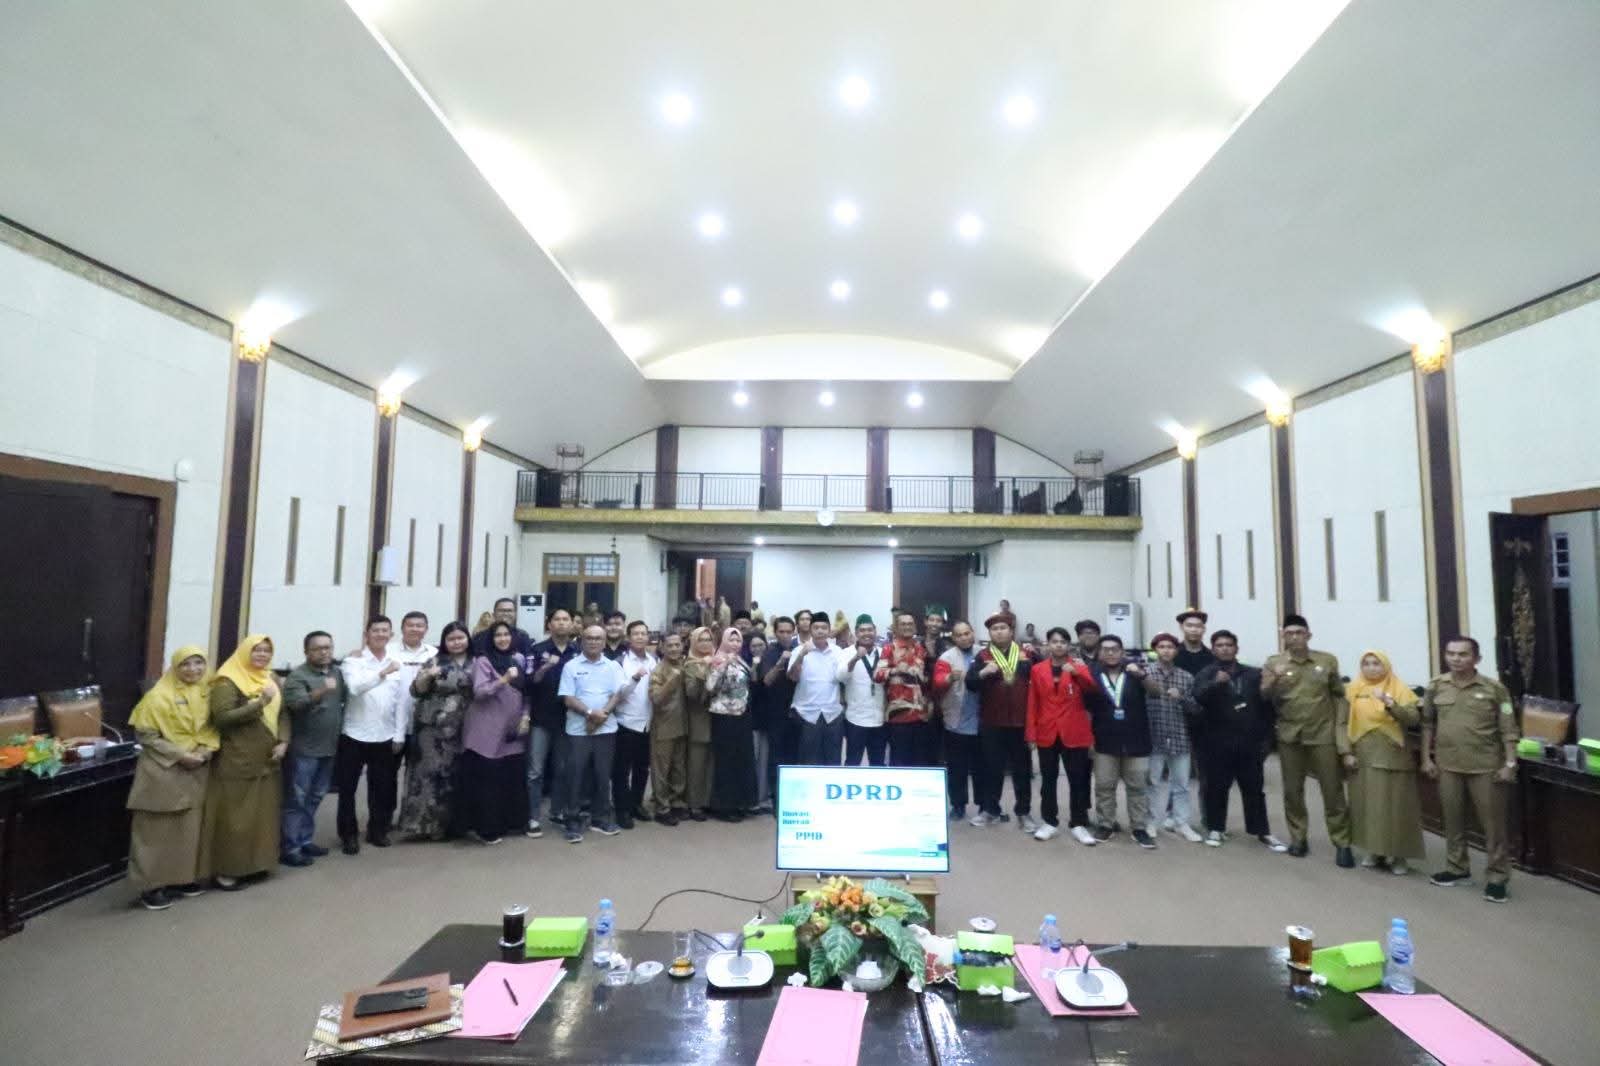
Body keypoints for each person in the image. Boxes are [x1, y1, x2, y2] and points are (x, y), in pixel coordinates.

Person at [1422, 637, 1519, 903]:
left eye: (1463, 654)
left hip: (1485, 767)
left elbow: (1509, 730)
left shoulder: (1494, 689)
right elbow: (1428, 724)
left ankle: (1497, 877)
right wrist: (1426, 758)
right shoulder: (1436, 686)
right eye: (1451, 653)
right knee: (1452, 821)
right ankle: (1457, 868)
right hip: (1448, 765)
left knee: (1493, 826)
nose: (1456, 659)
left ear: (1477, 659)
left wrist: (1510, 763)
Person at [126, 645, 218, 910]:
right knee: (156, 830)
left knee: (187, 829)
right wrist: (180, 755)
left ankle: (180, 879)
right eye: (185, 664)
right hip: (163, 771)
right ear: (175, 667)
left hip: (197, 768)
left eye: (199, 663)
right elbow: (146, 736)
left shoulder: (207, 692)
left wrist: (206, 750)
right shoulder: (158, 696)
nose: (193, 670)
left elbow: (214, 728)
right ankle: (150, 887)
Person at [1260, 614, 1352, 866]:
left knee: (1332, 791)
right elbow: (1264, 695)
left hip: (1322, 734)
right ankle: (1298, 838)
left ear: (1308, 635)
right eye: (1289, 633)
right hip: (1290, 735)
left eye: (1299, 633)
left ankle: (1342, 842)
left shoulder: (1326, 660)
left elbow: (1339, 695)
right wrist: (1274, 677)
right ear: (1283, 636)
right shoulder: (1274, 662)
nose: (1294, 637)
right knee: (1293, 791)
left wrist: (1340, 733)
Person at [199, 635, 286, 890]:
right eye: (256, 650)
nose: (262, 655)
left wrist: (284, 740)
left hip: (268, 757)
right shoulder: (227, 681)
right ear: (244, 652)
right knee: (235, 818)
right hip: (238, 757)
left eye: (267, 651)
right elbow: (222, 718)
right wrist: (260, 704)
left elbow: (284, 713)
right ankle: (227, 871)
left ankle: (255, 866)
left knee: (262, 817)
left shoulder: (271, 678)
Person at [1190, 632, 1288, 851]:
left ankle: (1262, 831)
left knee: (1254, 788)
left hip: (1250, 742)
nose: (1225, 648)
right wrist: (1215, 684)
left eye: (1229, 645)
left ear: (1236, 648)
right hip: (1217, 742)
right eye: (1219, 645)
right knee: (1217, 787)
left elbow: (1266, 706)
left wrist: (1267, 739)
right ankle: (1216, 828)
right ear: (1213, 649)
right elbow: (1197, 697)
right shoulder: (1207, 673)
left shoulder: (1253, 673)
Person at [1339, 650, 1424, 875]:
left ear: (1385, 666)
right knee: (1367, 806)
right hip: (1362, 755)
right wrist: (1346, 752)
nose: (1371, 668)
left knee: (1397, 806)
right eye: (1366, 663)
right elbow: (1341, 723)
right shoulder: (1352, 690)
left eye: (1376, 663)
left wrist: (1390, 703)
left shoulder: (1399, 688)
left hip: (1393, 755)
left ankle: (1399, 855)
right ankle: (1374, 850)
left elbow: (1413, 719)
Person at [558, 624, 636, 842]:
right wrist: (590, 713)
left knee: (603, 775)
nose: (593, 642)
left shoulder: (613, 666)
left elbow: (618, 694)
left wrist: (603, 715)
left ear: (604, 642)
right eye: (589, 638)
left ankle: (600, 818)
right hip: (578, 730)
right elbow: (568, 698)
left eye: (598, 638)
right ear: (582, 641)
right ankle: (572, 819)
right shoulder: (571, 666)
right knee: (575, 775)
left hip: (606, 729)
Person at [336, 615, 406, 854]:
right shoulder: (353, 661)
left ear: (391, 635)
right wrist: (383, 673)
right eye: (376, 630)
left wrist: (399, 734)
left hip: (384, 735)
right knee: (347, 789)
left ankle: (378, 830)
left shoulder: (396, 662)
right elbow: (355, 688)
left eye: (385, 631)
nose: (380, 634)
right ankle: (348, 835)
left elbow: (400, 702)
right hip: (353, 734)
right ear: (366, 634)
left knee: (381, 788)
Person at [398, 621, 473, 841]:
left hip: (464, 728)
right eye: (451, 639)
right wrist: (427, 676)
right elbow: (416, 691)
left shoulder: (477, 661)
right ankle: (422, 826)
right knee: (428, 775)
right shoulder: (434, 661)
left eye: (460, 638)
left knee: (455, 776)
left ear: (468, 639)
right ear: (444, 642)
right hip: (431, 729)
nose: (456, 642)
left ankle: (451, 826)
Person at [966, 611, 1040, 830]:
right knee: (992, 768)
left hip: (1021, 722)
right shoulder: (982, 656)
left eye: (1003, 628)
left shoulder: (1028, 654)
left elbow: (1043, 678)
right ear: (989, 633)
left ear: (1011, 631)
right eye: (994, 629)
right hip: (992, 722)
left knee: (1022, 770)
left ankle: (1024, 813)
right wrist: (982, 673)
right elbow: (970, 683)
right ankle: (990, 810)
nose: (999, 632)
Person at [1026, 628, 1098, 845]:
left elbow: (1093, 691)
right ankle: (1049, 822)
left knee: (1078, 779)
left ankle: (1078, 823)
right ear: (1047, 644)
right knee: (1047, 779)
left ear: (1069, 645)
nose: (1058, 645)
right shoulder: (1037, 669)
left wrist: (1077, 673)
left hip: (1074, 730)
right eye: (1054, 641)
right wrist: (1031, 733)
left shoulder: (1079, 666)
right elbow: (1033, 702)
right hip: (1046, 730)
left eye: (1063, 642)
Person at [280, 631, 347, 866]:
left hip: (329, 747)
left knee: (316, 797)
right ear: (306, 652)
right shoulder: (298, 676)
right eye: (318, 648)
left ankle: (304, 839)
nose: (324, 652)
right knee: (297, 799)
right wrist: (320, 692)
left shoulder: (336, 672)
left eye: (328, 647)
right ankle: (290, 848)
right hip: (304, 750)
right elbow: (294, 705)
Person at [1085, 635, 1157, 848]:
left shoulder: (1136, 672)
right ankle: (1105, 824)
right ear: (1099, 653)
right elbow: (1086, 709)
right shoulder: (1092, 675)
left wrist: (1142, 675)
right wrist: (1088, 739)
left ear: (1122, 652)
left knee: (1138, 787)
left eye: (1115, 649)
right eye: (1105, 649)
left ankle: (1139, 828)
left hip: (1136, 740)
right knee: (1104, 786)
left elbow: (1156, 692)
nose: (1110, 653)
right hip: (1104, 740)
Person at [461, 622, 527, 844]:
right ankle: (486, 828)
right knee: (487, 781)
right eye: (498, 635)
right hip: (487, 728)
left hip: (512, 729)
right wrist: (504, 679)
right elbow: (480, 692)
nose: (503, 638)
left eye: (506, 634)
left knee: (508, 778)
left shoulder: (517, 660)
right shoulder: (483, 661)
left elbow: (526, 691)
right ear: (490, 639)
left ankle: (508, 823)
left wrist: (526, 716)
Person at [524, 606, 579, 838]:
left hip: (569, 719)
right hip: (541, 718)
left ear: (572, 624)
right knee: (535, 771)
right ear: (549, 624)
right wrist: (546, 667)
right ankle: (533, 817)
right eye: (557, 619)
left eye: (566, 619)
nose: (562, 623)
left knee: (562, 769)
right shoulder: (537, 650)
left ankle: (557, 811)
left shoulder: (578, 651)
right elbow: (529, 682)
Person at [1142, 633, 1202, 843]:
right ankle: (1150, 822)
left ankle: (1181, 822)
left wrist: (1182, 698)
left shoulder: (1186, 677)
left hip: (1179, 737)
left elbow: (1196, 709)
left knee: (1182, 784)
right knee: (1152, 783)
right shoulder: (1145, 674)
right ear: (1155, 650)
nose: (1166, 650)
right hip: (1153, 736)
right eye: (1162, 646)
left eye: (1170, 647)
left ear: (1176, 651)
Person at [706, 627, 758, 820]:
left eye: (738, 641)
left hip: (742, 715)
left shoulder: (740, 659)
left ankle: (741, 802)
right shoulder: (717, 659)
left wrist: (754, 667)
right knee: (726, 761)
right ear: (724, 641)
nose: (735, 644)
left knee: (742, 759)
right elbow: (710, 687)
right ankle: (725, 806)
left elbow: (749, 683)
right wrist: (724, 665)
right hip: (724, 716)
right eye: (731, 640)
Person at [934, 622, 982, 821]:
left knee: (983, 767)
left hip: (983, 721)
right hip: (956, 721)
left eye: (967, 633)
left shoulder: (984, 653)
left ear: (973, 633)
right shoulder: (946, 658)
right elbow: (937, 683)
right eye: (959, 635)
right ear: (953, 638)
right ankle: (958, 805)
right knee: (957, 768)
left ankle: (985, 806)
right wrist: (948, 678)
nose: (964, 637)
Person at [391, 610, 436, 818]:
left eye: (420, 625)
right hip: (392, 724)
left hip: (423, 724)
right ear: (402, 628)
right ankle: (384, 818)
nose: (415, 629)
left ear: (426, 629)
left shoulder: (434, 654)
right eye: (410, 625)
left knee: (419, 774)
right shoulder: (389, 651)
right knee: (387, 776)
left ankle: (411, 817)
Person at [611, 620, 656, 828]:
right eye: (635, 633)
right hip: (626, 722)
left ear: (648, 637)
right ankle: (622, 810)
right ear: (628, 638)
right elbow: (619, 694)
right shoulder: (620, 662)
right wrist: (635, 678)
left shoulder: (653, 660)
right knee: (622, 770)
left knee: (642, 768)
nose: (640, 637)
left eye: (643, 633)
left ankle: (636, 804)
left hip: (648, 723)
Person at [788, 611, 846, 765]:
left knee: (833, 762)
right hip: (806, 714)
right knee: (808, 762)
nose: (820, 631)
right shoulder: (798, 650)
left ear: (829, 630)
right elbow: (793, 677)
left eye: (824, 628)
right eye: (816, 628)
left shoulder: (838, 652)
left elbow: (844, 678)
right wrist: (801, 655)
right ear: (810, 630)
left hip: (832, 714)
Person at [877, 610, 931, 766]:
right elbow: (878, 675)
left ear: (915, 627)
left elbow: (926, 680)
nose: (907, 627)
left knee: (920, 762)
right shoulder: (889, 649)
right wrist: (895, 670)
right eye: (903, 624)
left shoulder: (921, 649)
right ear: (896, 627)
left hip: (920, 715)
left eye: (910, 624)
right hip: (898, 716)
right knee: (900, 763)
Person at [647, 634, 690, 825]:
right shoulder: (658, 670)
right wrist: (671, 682)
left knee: (679, 767)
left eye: (677, 645)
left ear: (682, 646)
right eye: (669, 645)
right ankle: (662, 807)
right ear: (662, 647)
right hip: (663, 725)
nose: (674, 649)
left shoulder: (685, 665)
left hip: (683, 724)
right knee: (661, 769)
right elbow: (656, 699)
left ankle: (677, 802)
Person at [758, 617, 799, 807]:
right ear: (775, 633)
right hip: (775, 712)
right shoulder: (769, 652)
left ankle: (792, 796)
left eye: (788, 631)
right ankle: (776, 797)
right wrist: (780, 663)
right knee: (776, 757)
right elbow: (766, 681)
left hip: (797, 711)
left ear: (794, 632)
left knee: (795, 755)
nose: (785, 635)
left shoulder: (799, 650)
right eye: (781, 631)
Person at [679, 627, 719, 818]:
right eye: (701, 640)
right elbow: (691, 694)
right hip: (698, 718)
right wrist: (703, 672)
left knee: (711, 763)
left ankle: (708, 800)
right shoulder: (690, 665)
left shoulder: (718, 660)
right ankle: (694, 803)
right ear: (694, 642)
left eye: (708, 640)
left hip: (718, 718)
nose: (705, 643)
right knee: (696, 764)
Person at [841, 616, 887, 766]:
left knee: (878, 763)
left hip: (879, 719)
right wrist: (855, 658)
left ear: (875, 631)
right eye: (862, 630)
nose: (866, 633)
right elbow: (841, 677)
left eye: (870, 630)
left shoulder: (884, 652)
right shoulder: (847, 652)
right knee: (852, 762)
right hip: (856, 719)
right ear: (856, 633)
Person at [745, 632, 771, 812]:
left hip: (768, 718)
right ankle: (751, 798)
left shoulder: (772, 664)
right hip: (751, 719)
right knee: (752, 759)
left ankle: (763, 797)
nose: (757, 649)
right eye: (753, 646)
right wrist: (753, 668)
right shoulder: (745, 665)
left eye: (760, 645)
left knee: (765, 760)